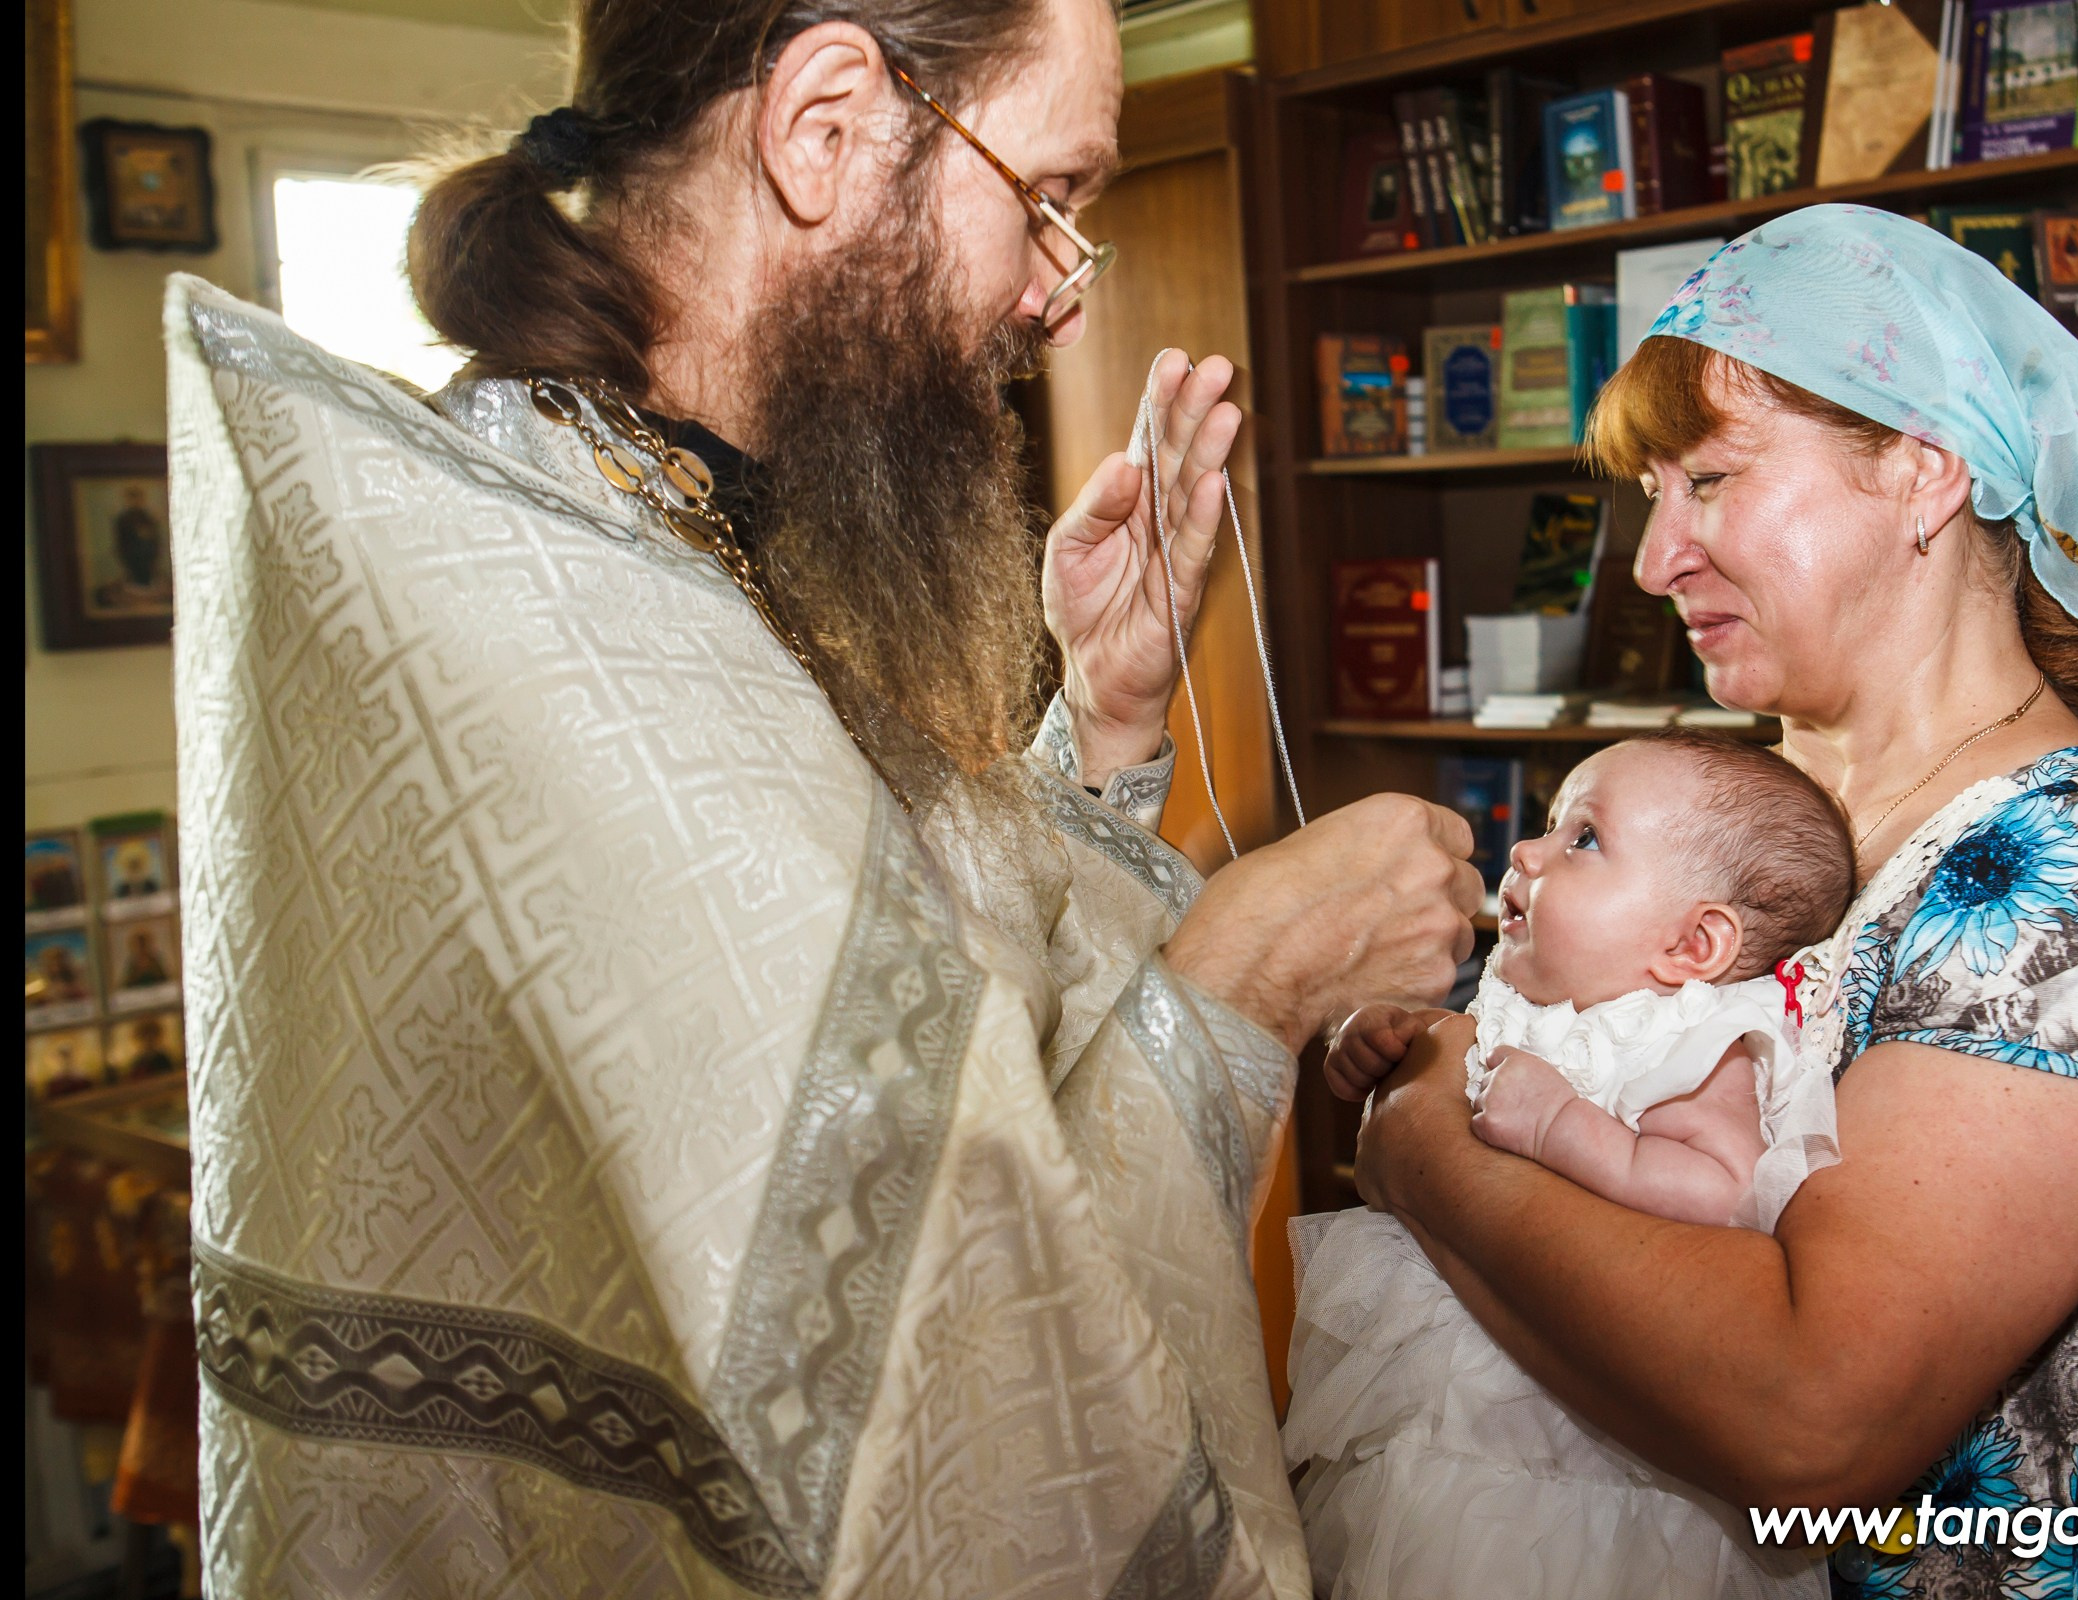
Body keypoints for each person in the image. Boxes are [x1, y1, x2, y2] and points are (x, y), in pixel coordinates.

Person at [164, 2, 1477, 1594]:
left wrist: (1096, 728)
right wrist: (1244, 988)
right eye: (1051, 201)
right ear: (827, 122)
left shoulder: (676, 513)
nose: (1060, 297)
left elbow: (890, 1032)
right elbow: (939, 1370)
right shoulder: (561, 616)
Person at [1351, 205, 2078, 1599]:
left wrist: (1419, 1134)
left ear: (1922, 470)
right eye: (1653, 495)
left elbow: (1807, 1415)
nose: (1655, 560)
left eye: (1713, 480)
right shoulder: (1726, 821)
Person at [1286, 731, 1855, 1599]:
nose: (1526, 849)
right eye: (1552, 825)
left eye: (1582, 838)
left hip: (1584, 1485)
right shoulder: (1523, 999)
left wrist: (1561, 1126)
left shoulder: (1691, 1040)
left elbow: (1720, 1186)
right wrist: (1374, 1039)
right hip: (1445, 1432)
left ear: (1694, 945)